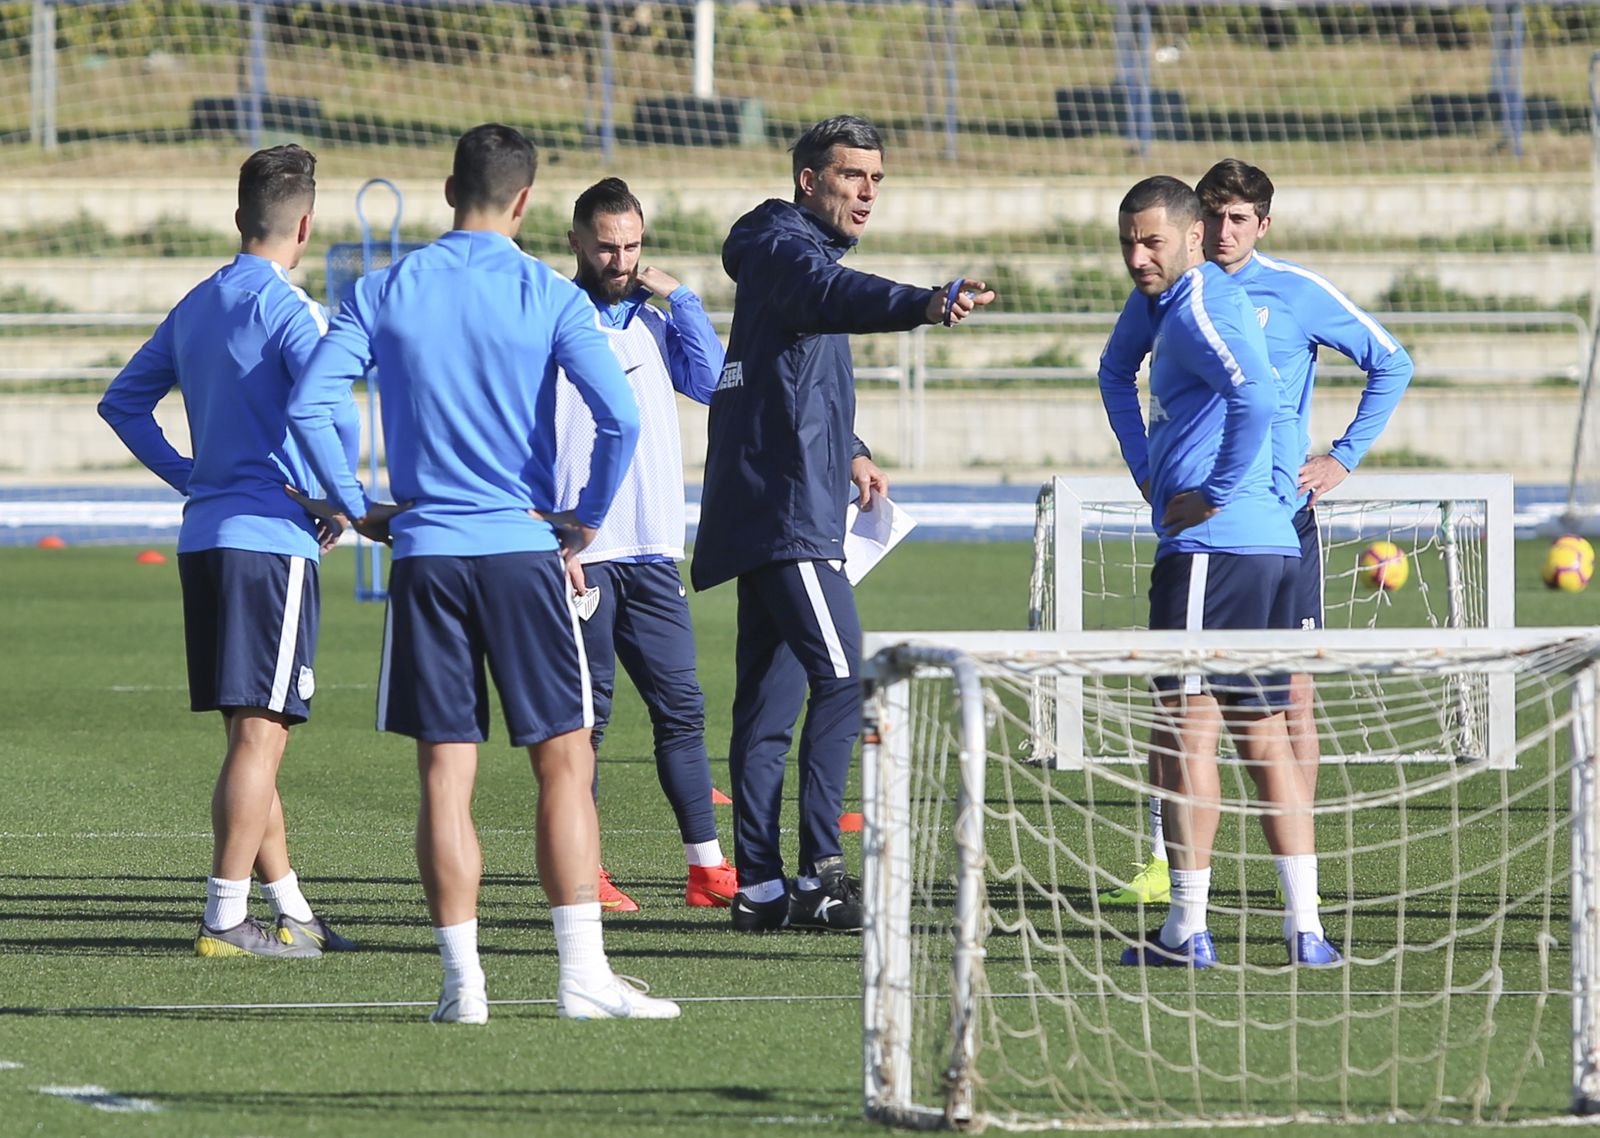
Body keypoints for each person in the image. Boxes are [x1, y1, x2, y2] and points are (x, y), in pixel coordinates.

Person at [286, 123, 678, 1023]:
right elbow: (619, 419)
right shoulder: (548, 292)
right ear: (529, 202)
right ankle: (582, 976)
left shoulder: (384, 286)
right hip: (521, 551)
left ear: (447, 187)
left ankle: (463, 986)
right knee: (564, 765)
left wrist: (353, 503)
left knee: (443, 776)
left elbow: (312, 399)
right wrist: (584, 517)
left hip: (426, 554)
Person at [691, 114, 995, 933]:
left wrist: (852, 450)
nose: (866, 192)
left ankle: (758, 890)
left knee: (765, 705)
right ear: (808, 180)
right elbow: (829, 299)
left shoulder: (788, 254)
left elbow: (794, 377)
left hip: (782, 509)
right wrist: (924, 303)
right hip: (789, 516)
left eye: (877, 179)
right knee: (842, 679)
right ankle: (823, 875)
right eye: (851, 176)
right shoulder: (789, 252)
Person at [1097, 158, 1413, 910]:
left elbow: (1390, 363)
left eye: (1241, 219)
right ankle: (1164, 861)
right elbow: (1114, 373)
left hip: (1272, 526)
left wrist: (1341, 457)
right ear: (1196, 225)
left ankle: (1292, 892)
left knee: (1282, 703)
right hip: (1216, 531)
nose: (1226, 232)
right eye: (1216, 217)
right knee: (1181, 712)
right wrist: (1147, 475)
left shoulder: (1293, 292)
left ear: (1261, 225)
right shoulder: (1169, 293)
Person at [97, 143, 358, 959]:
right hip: (270, 544)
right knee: (260, 736)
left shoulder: (199, 302)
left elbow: (122, 403)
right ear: (306, 224)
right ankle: (223, 919)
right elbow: (321, 408)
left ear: (239, 216)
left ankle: (293, 912)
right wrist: (341, 501)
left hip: (207, 537)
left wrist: (191, 473)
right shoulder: (294, 309)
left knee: (253, 731)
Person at [552, 177, 736, 913]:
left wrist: (684, 299)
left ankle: (706, 868)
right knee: (585, 723)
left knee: (683, 709)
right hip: (580, 553)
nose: (621, 258)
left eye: (632, 245)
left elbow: (718, 383)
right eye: (607, 245)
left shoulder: (656, 323)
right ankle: (583, 869)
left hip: (653, 550)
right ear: (576, 241)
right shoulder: (553, 318)